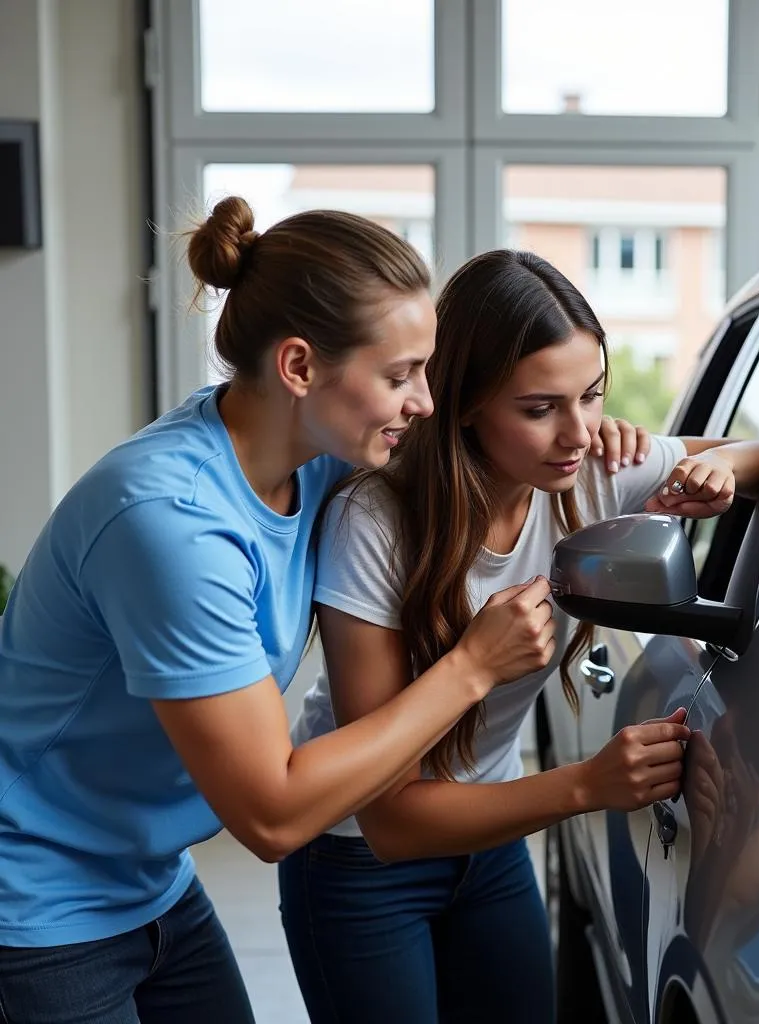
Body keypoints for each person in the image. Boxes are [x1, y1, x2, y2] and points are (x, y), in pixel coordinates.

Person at [0, 201, 619, 1024]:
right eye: (400, 376)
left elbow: (471, 458)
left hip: (146, 876)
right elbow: (273, 814)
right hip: (34, 897)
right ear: (298, 366)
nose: (426, 402)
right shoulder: (173, 524)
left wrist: (604, 437)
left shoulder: (312, 463)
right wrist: (470, 669)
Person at [279, 249, 759, 1024]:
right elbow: (390, 820)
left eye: (592, 396)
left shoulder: (592, 473)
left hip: (494, 846)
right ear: (464, 401)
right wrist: (588, 786)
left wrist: (719, 474)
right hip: (359, 861)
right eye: (540, 408)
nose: (576, 433)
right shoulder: (373, 521)